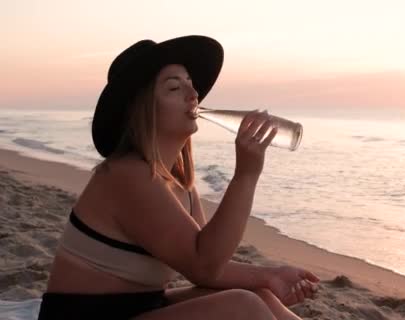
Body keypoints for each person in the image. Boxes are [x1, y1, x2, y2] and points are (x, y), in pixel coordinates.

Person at [38, 35, 320, 320]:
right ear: (143, 110)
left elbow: (211, 265)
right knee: (243, 307)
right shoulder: (127, 174)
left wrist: (270, 277)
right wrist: (246, 175)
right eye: (175, 87)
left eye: (190, 83)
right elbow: (204, 265)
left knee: (260, 297)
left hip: (141, 307)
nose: (193, 94)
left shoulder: (179, 183)